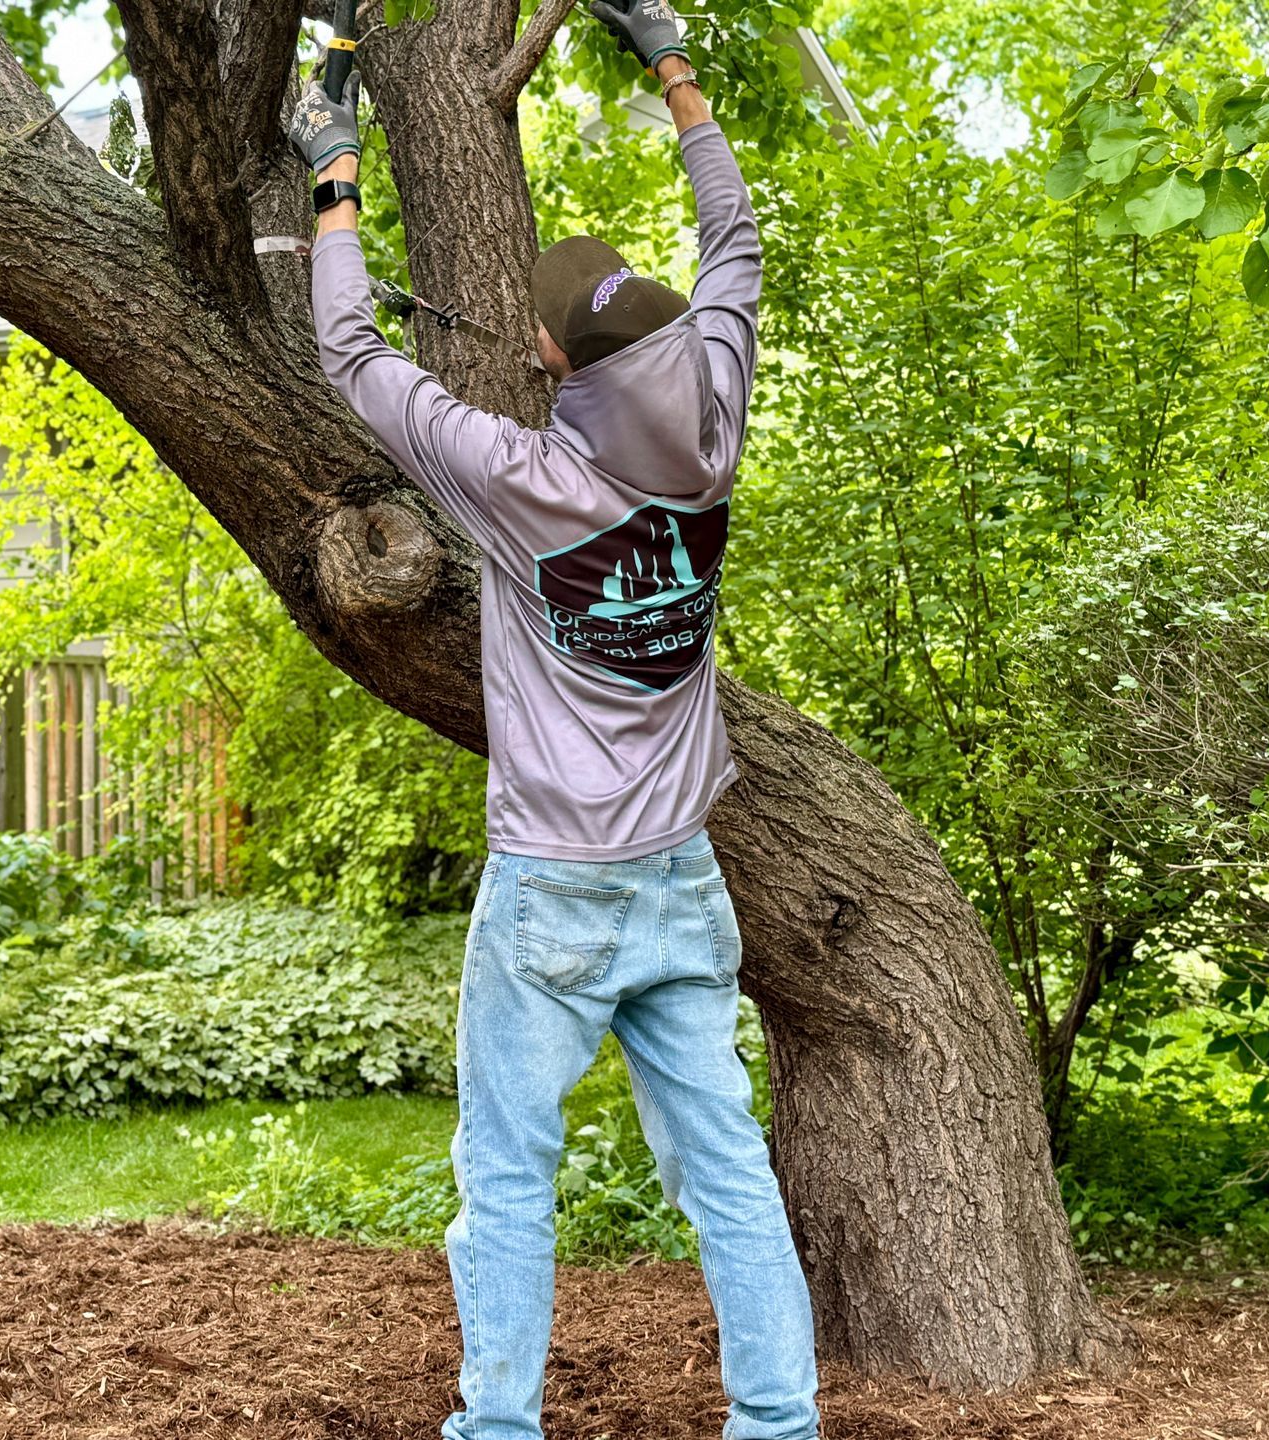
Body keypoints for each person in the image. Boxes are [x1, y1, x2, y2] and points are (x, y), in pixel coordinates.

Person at [289, 3, 819, 1436]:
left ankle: (499, 1427)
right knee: (728, 1180)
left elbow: (352, 359)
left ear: (548, 357)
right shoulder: (717, 405)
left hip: (556, 892)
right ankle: (781, 1428)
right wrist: (675, 66)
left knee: (508, 1173)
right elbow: (737, 241)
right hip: (682, 876)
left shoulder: (523, 478)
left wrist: (334, 179)